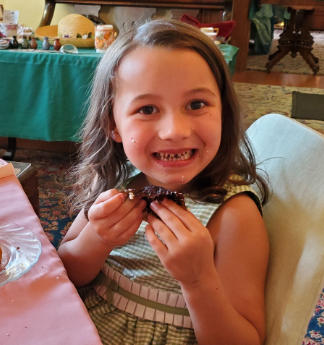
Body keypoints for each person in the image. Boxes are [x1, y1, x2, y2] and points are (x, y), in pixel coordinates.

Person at [58, 19, 270, 345]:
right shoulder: (115, 181)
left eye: (196, 104)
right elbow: (65, 272)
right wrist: (96, 239)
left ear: (223, 114)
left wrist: (198, 280)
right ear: (112, 124)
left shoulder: (233, 215)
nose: (174, 131)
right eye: (147, 108)